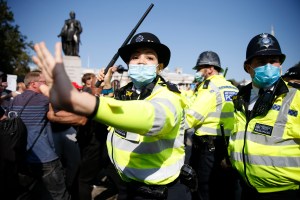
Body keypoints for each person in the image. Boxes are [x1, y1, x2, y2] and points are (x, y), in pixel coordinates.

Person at [33, 32, 191, 200]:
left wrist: (79, 100)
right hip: (127, 186)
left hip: (158, 192)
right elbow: (112, 111)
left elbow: (149, 116)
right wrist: (106, 86)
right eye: (135, 57)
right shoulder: (126, 92)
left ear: (159, 66)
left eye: (150, 58)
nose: (141, 61)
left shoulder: (170, 95)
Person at [229, 33, 300, 200]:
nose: (269, 66)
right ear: (248, 68)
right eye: (261, 62)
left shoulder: (296, 97)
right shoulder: (239, 99)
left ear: (280, 64)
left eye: (273, 61)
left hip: (287, 193)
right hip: (247, 189)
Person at [7, 70, 71, 200]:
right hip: (44, 157)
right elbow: (67, 103)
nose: (46, 85)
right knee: (60, 195)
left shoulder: (14, 100)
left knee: (27, 195)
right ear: (33, 84)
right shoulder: (43, 99)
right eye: (43, 82)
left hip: (22, 157)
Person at [186, 51, 240, 200]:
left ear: (210, 68)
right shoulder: (231, 87)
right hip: (229, 148)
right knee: (226, 187)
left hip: (208, 149)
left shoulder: (209, 86)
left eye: (200, 68)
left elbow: (192, 117)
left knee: (205, 189)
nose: (198, 72)